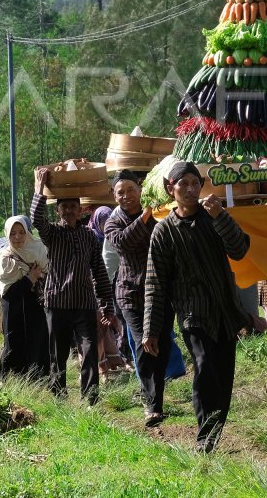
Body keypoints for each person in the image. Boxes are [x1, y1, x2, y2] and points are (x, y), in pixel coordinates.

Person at [143, 161, 251, 453]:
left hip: (225, 310)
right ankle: (205, 437)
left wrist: (221, 217)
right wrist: (150, 331)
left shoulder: (214, 217)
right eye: (183, 185)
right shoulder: (163, 232)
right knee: (204, 366)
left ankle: (214, 431)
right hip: (193, 314)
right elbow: (155, 283)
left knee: (223, 374)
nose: (190, 190)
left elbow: (240, 250)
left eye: (195, 183)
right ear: (170, 189)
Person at [31, 167, 118, 405]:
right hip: (57, 302)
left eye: (73, 207)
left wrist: (107, 307)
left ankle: (90, 398)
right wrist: (40, 189)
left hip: (84, 304)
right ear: (57, 210)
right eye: (64, 207)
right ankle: (59, 397)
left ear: (80, 210)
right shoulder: (53, 234)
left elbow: (100, 273)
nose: (69, 210)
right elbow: (37, 220)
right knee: (56, 354)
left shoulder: (89, 237)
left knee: (89, 351)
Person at [104, 169, 178, 426]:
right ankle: (152, 405)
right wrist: (146, 214)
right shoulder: (112, 223)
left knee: (163, 344)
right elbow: (124, 243)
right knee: (142, 345)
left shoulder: (160, 217)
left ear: (140, 189)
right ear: (114, 196)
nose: (126, 196)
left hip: (161, 292)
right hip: (130, 293)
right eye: (120, 192)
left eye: (130, 190)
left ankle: (157, 396)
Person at [0, 215, 50, 380]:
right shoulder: (5, 257)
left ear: (27, 233)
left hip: (35, 305)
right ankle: (9, 380)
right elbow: (7, 292)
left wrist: (38, 277)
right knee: (13, 343)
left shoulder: (38, 250)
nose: (17, 237)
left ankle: (37, 381)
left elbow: (48, 274)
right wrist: (30, 277)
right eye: (13, 233)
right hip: (13, 307)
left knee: (38, 340)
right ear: (7, 235)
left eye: (21, 232)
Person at [88, 205, 128, 380]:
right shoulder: (89, 236)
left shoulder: (116, 234)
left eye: (108, 221)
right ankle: (102, 369)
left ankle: (117, 360)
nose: (105, 225)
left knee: (116, 325)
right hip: (96, 288)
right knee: (99, 329)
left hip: (116, 283)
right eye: (102, 222)